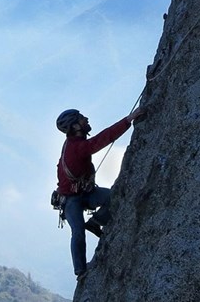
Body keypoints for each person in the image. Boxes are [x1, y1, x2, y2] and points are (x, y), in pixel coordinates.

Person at [55, 107, 146, 280]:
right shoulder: (77, 147)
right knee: (78, 231)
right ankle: (80, 271)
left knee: (114, 196)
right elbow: (102, 139)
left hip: (82, 193)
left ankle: (95, 222)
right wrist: (128, 120)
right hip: (70, 199)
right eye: (82, 118)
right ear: (75, 127)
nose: (86, 119)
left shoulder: (75, 143)